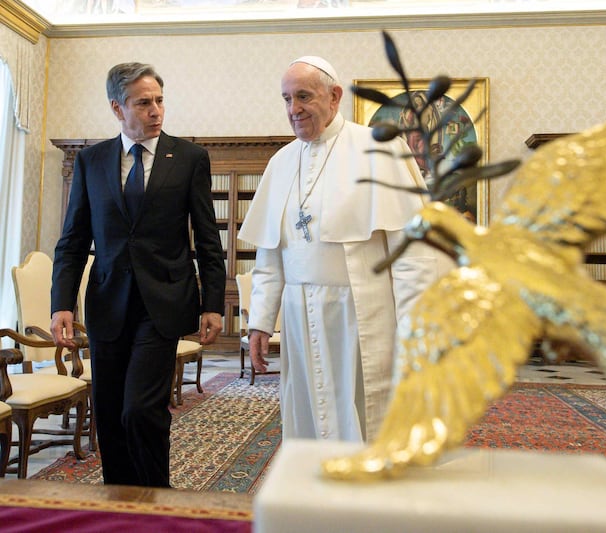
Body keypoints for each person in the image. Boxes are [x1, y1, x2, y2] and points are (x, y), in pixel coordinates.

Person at [239, 56, 442, 443]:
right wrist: (261, 321)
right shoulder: (281, 162)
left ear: (334, 97)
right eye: (286, 99)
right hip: (299, 314)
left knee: (367, 413)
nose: (293, 109)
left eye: (303, 96)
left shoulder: (380, 150)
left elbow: (412, 254)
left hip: (362, 312)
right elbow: (269, 255)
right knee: (306, 412)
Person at [50, 62, 226, 487]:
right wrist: (61, 304)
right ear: (117, 107)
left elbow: (207, 238)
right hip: (109, 303)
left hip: (163, 303)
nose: (156, 111)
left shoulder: (188, 158)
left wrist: (213, 305)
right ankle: (120, 501)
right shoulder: (91, 162)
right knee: (109, 412)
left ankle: (156, 499)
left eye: (159, 101)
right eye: (143, 103)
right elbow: (72, 239)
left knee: (140, 409)